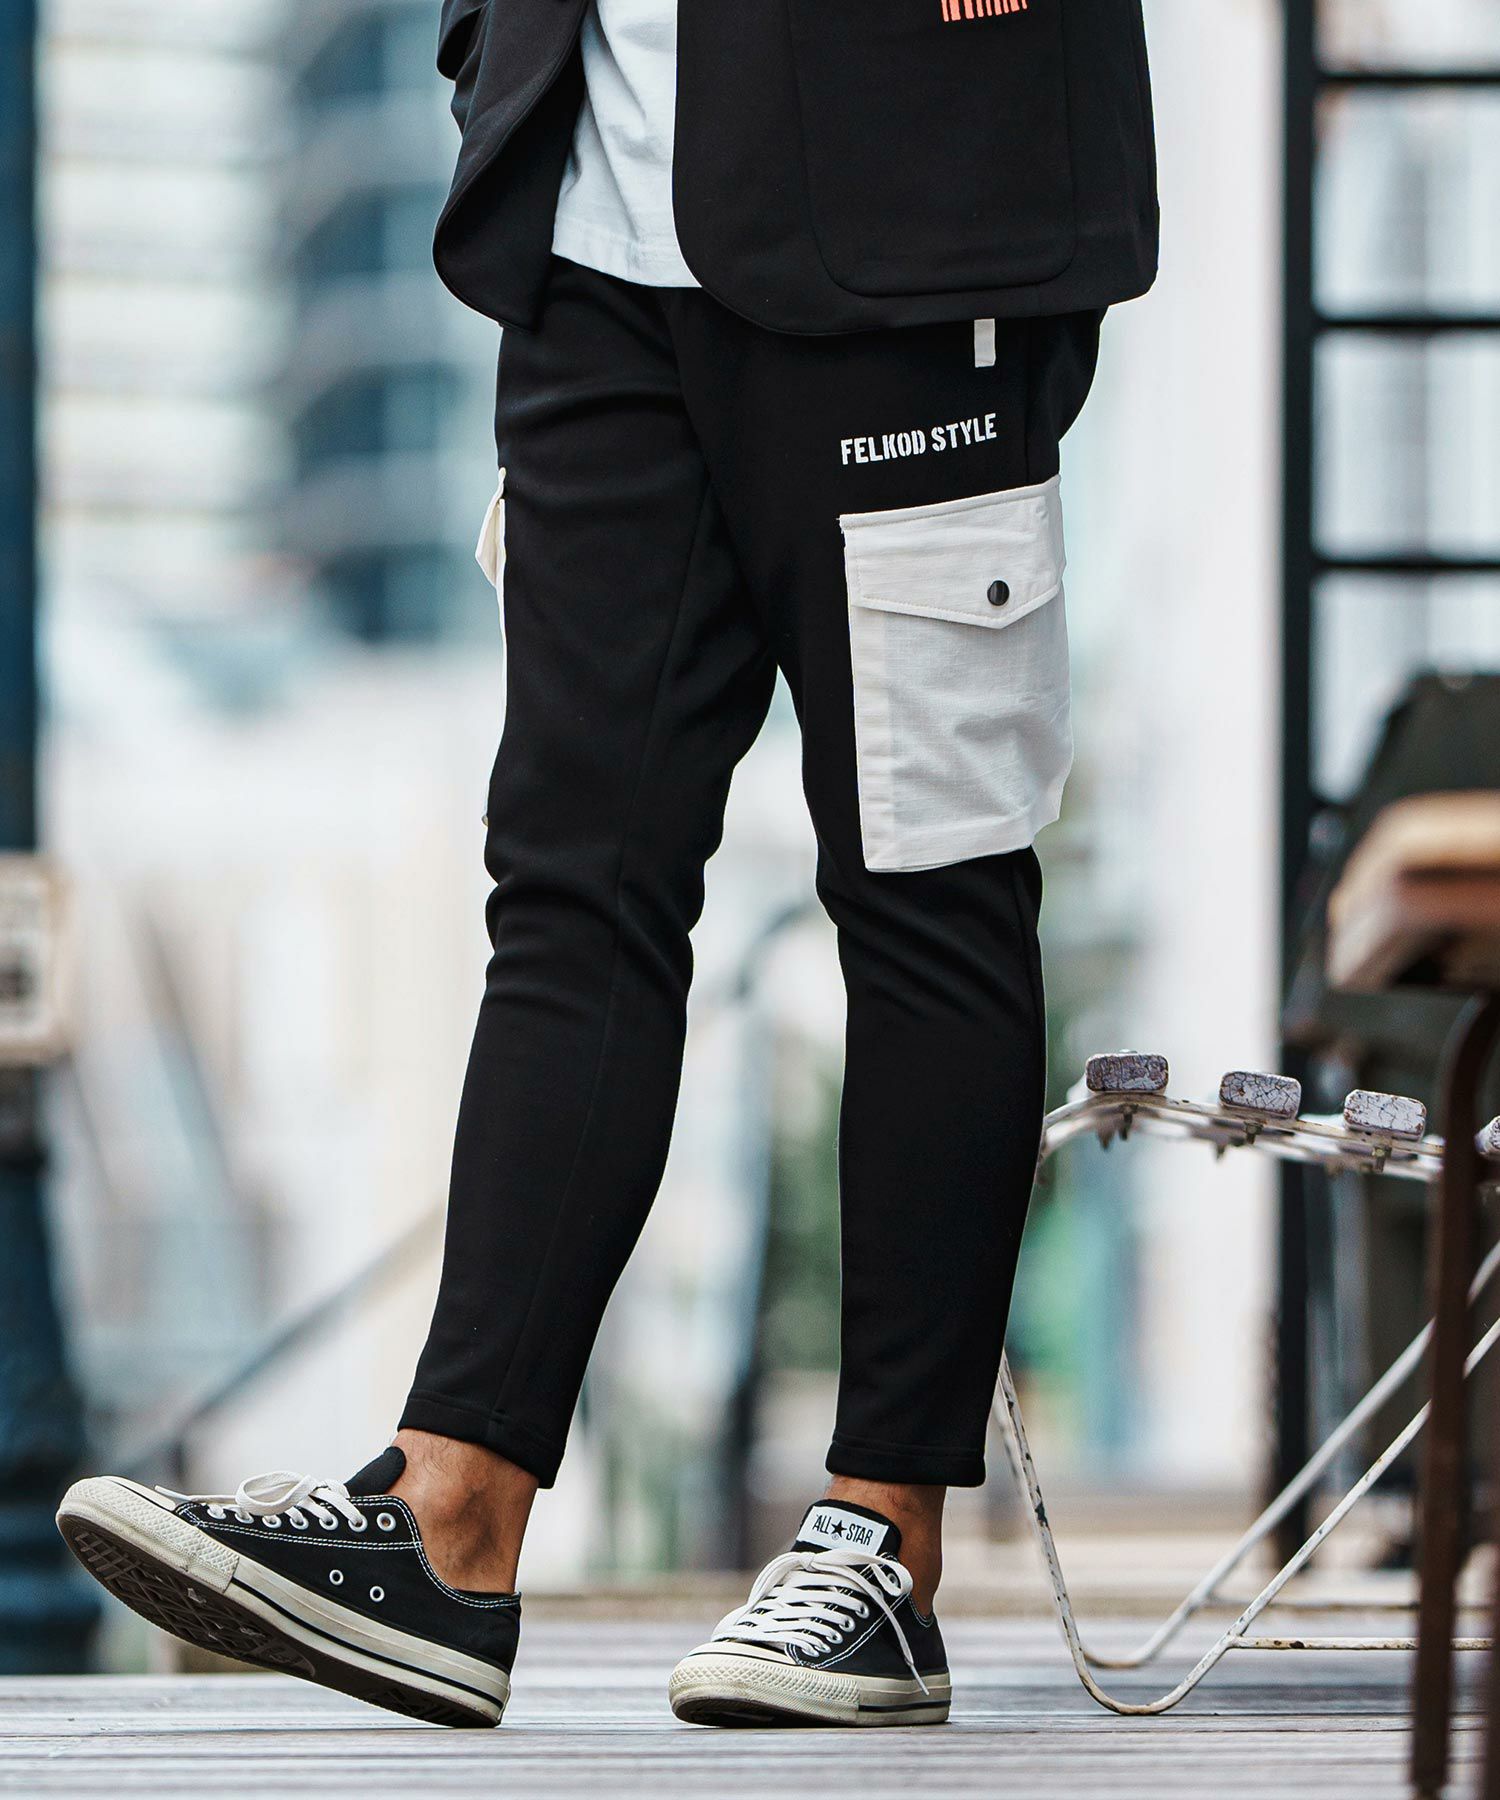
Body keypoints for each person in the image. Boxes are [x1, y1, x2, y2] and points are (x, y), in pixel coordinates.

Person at [58, 0, 1157, 1730]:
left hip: (907, 235)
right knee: (572, 895)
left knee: (924, 882)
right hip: (590, 252)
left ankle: (883, 1546)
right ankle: (452, 1514)